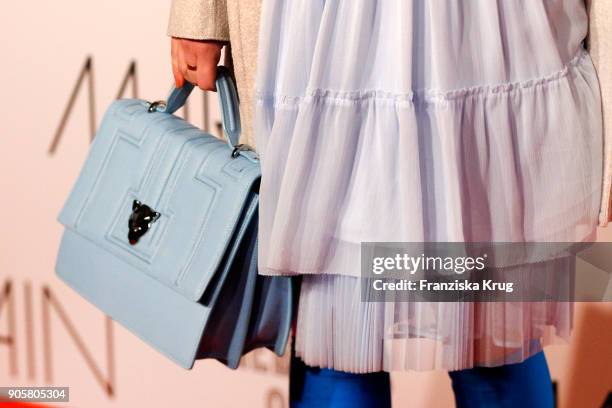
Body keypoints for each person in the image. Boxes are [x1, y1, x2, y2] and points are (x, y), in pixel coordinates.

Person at [168, 1, 612, 407]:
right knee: (337, 333)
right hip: (332, 36)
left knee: (494, 336)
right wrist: (199, 15)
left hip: (489, 40)